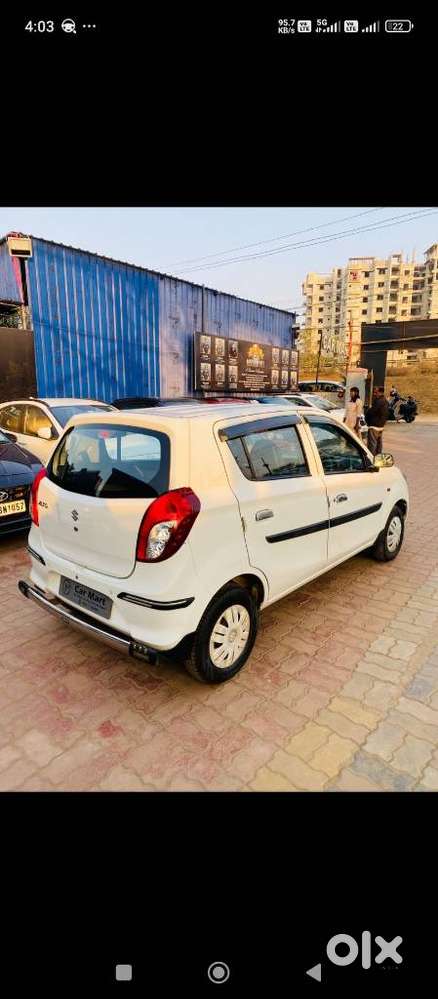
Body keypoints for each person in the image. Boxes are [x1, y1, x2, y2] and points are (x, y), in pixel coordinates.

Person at [366, 386, 389, 455]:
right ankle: (378, 458)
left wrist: (367, 413)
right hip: (381, 425)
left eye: (376, 392)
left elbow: (371, 412)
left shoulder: (378, 401)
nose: (374, 394)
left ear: (380, 392)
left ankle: (371, 460)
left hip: (374, 425)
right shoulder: (385, 401)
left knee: (372, 445)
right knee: (379, 444)